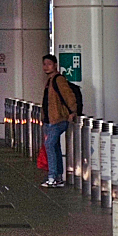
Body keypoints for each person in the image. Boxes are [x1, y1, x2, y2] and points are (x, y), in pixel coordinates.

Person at [41, 54, 79, 187]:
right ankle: (57, 177)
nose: (46, 67)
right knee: (55, 146)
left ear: (55, 65)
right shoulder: (50, 80)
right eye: (44, 64)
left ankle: (53, 177)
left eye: (49, 64)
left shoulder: (58, 79)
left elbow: (68, 96)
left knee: (50, 145)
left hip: (58, 119)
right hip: (50, 119)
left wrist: (73, 111)